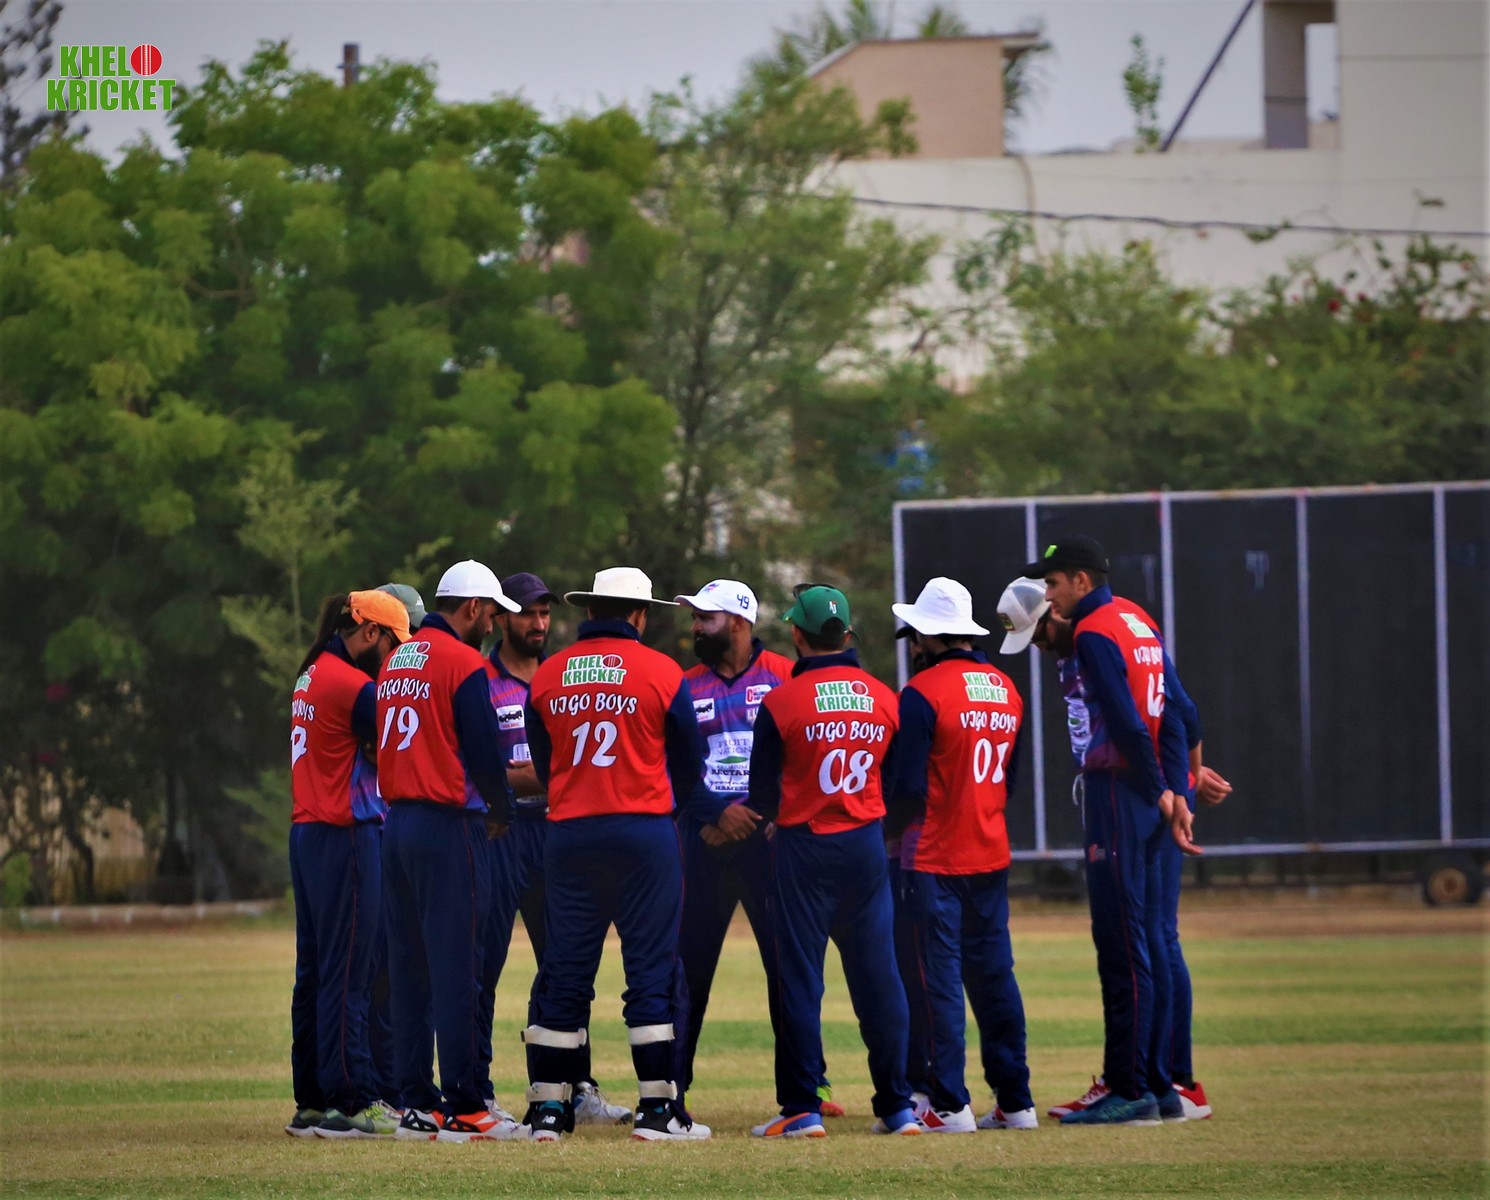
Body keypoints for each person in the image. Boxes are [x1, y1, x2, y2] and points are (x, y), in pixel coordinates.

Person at [521, 567, 757, 1142]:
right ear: (639, 615)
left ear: (589, 610)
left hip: (570, 833)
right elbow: (688, 762)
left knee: (565, 969)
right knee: (651, 969)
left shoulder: (548, 673)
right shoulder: (662, 671)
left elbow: (545, 761)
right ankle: (658, 1110)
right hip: (644, 833)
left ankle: (548, 1110)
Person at [998, 576, 1230, 1123]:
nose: (1039, 647)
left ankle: (1139, 1082)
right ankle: (1167, 1081)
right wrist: (1185, 780)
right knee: (1155, 937)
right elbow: (1180, 709)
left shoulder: (1093, 636)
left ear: (1055, 610)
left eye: (1038, 634)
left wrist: (1170, 787)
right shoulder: (1129, 620)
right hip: (1153, 787)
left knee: (1130, 941)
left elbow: (1136, 722)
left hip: (1129, 792)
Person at [746, 585, 920, 1140]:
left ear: (797, 635)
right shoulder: (885, 697)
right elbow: (898, 785)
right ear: (846, 634)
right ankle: (897, 1106)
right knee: (879, 977)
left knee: (801, 978)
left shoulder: (781, 702)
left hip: (804, 846)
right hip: (865, 844)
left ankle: (803, 1107)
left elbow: (761, 795)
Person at [672, 579, 845, 1115]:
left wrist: (757, 815)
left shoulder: (786, 676)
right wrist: (711, 815)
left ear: (739, 623)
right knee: (688, 970)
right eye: (695, 617)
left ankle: (809, 1086)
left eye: (706, 618)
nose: (696, 627)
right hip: (703, 839)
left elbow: (805, 758)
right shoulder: (683, 684)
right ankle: (670, 1092)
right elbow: (672, 765)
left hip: (769, 840)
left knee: (790, 967)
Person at [473, 571, 632, 1126]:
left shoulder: (561, 677)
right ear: (501, 617)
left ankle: (573, 1088)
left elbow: (566, 764)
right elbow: (482, 770)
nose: (538, 623)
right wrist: (528, 777)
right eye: (527, 613)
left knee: (567, 967)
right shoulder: (480, 680)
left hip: (557, 831)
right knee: (483, 963)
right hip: (500, 833)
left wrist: (528, 775)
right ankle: (477, 1090)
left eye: (544, 613)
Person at [377, 560, 524, 1143]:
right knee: (459, 966)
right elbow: (485, 751)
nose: (492, 625)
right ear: (472, 607)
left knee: (409, 968)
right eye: (491, 613)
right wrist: (503, 809)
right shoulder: (463, 663)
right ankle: (466, 1104)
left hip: (397, 825)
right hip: (447, 824)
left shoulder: (396, 660)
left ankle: (418, 1103)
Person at [886, 577, 1036, 1135]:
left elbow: (906, 787)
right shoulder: (1006, 688)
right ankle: (1016, 1101)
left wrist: (885, 835)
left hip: (933, 857)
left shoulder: (921, 692)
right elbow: (1010, 780)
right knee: (995, 979)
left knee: (937, 982)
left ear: (927, 635)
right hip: (990, 852)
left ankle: (948, 1104)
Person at [285, 588, 416, 1139]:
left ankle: (313, 1099)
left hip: (307, 832)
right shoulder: (353, 686)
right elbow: (398, 745)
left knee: (315, 972)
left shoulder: (312, 673)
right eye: (392, 646)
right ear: (369, 633)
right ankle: (353, 1099)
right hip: (346, 834)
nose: (394, 659)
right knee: (350, 973)